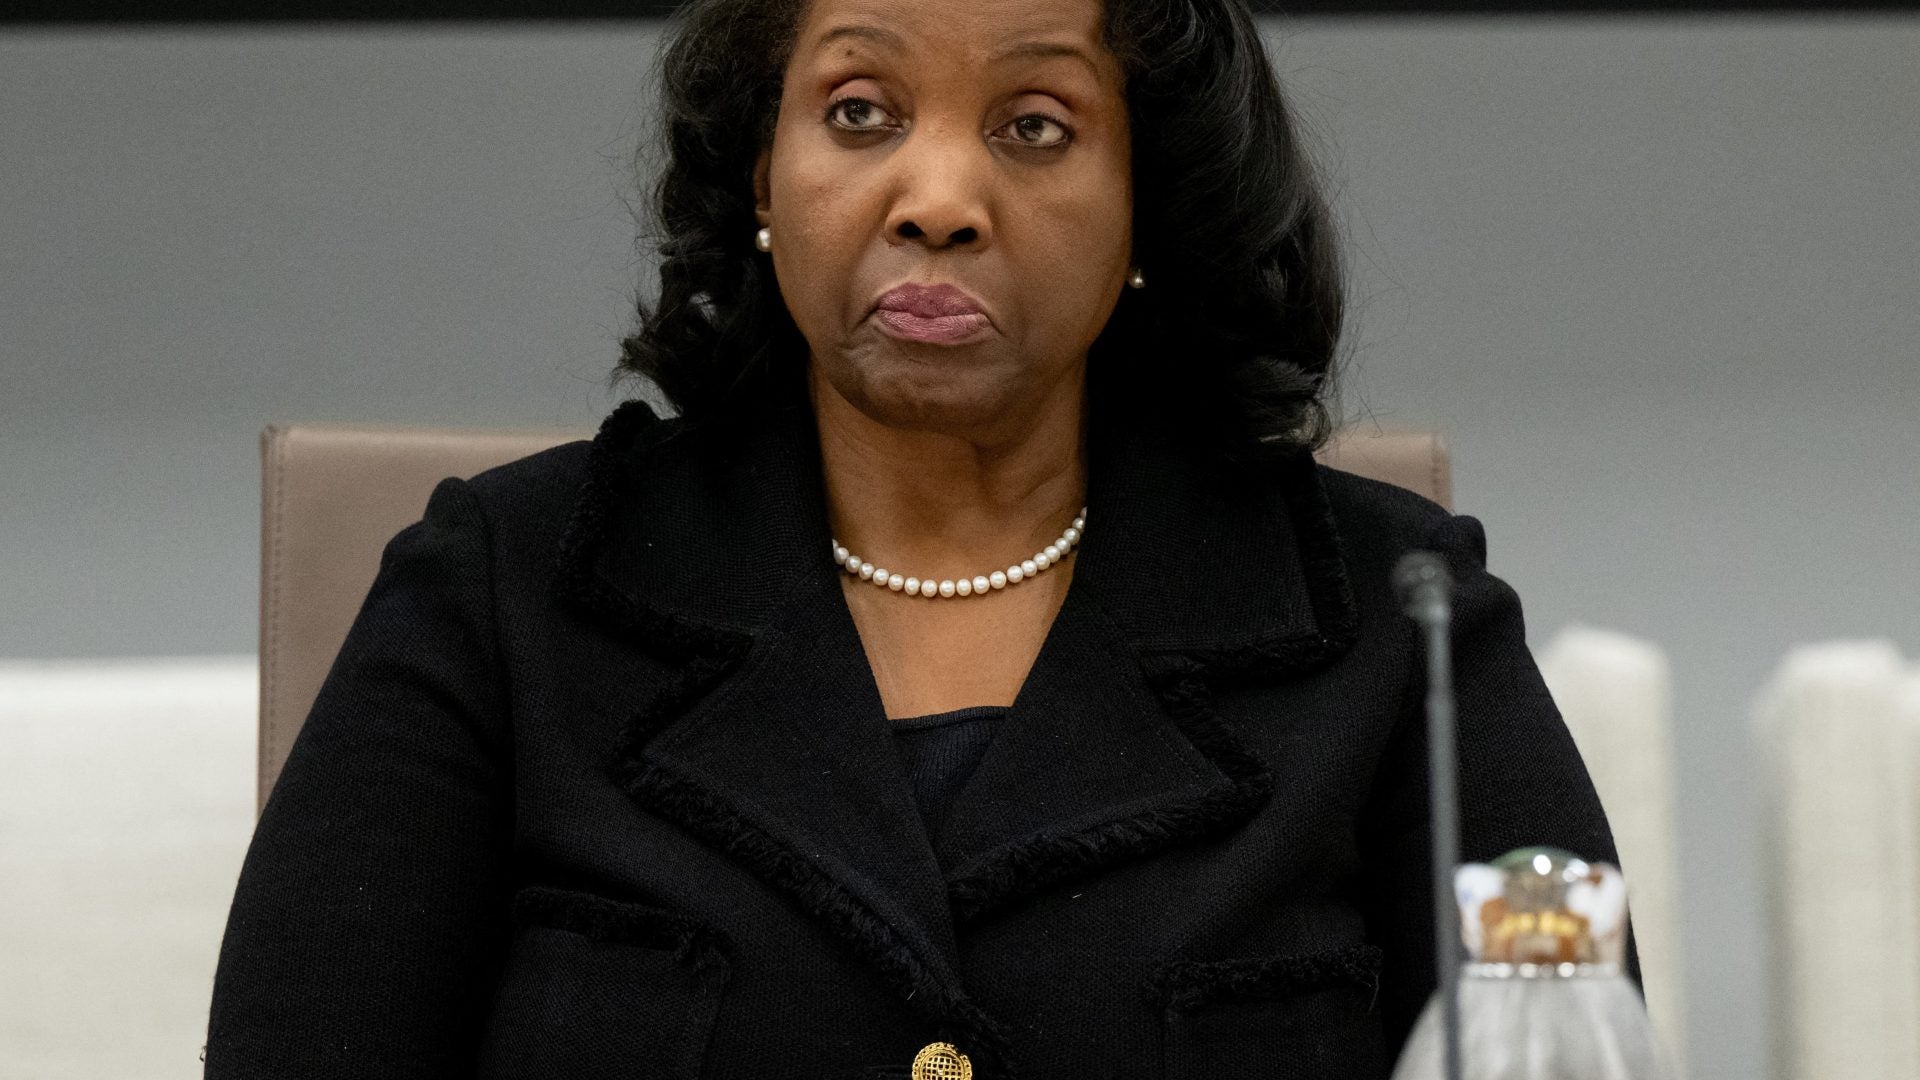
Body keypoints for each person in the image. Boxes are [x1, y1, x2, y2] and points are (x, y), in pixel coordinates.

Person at [203, 0, 1630, 1075]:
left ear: (1149, 200)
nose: (938, 203)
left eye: (1035, 127)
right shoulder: (504, 593)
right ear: (763, 178)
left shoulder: (1399, 625)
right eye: (860, 111)